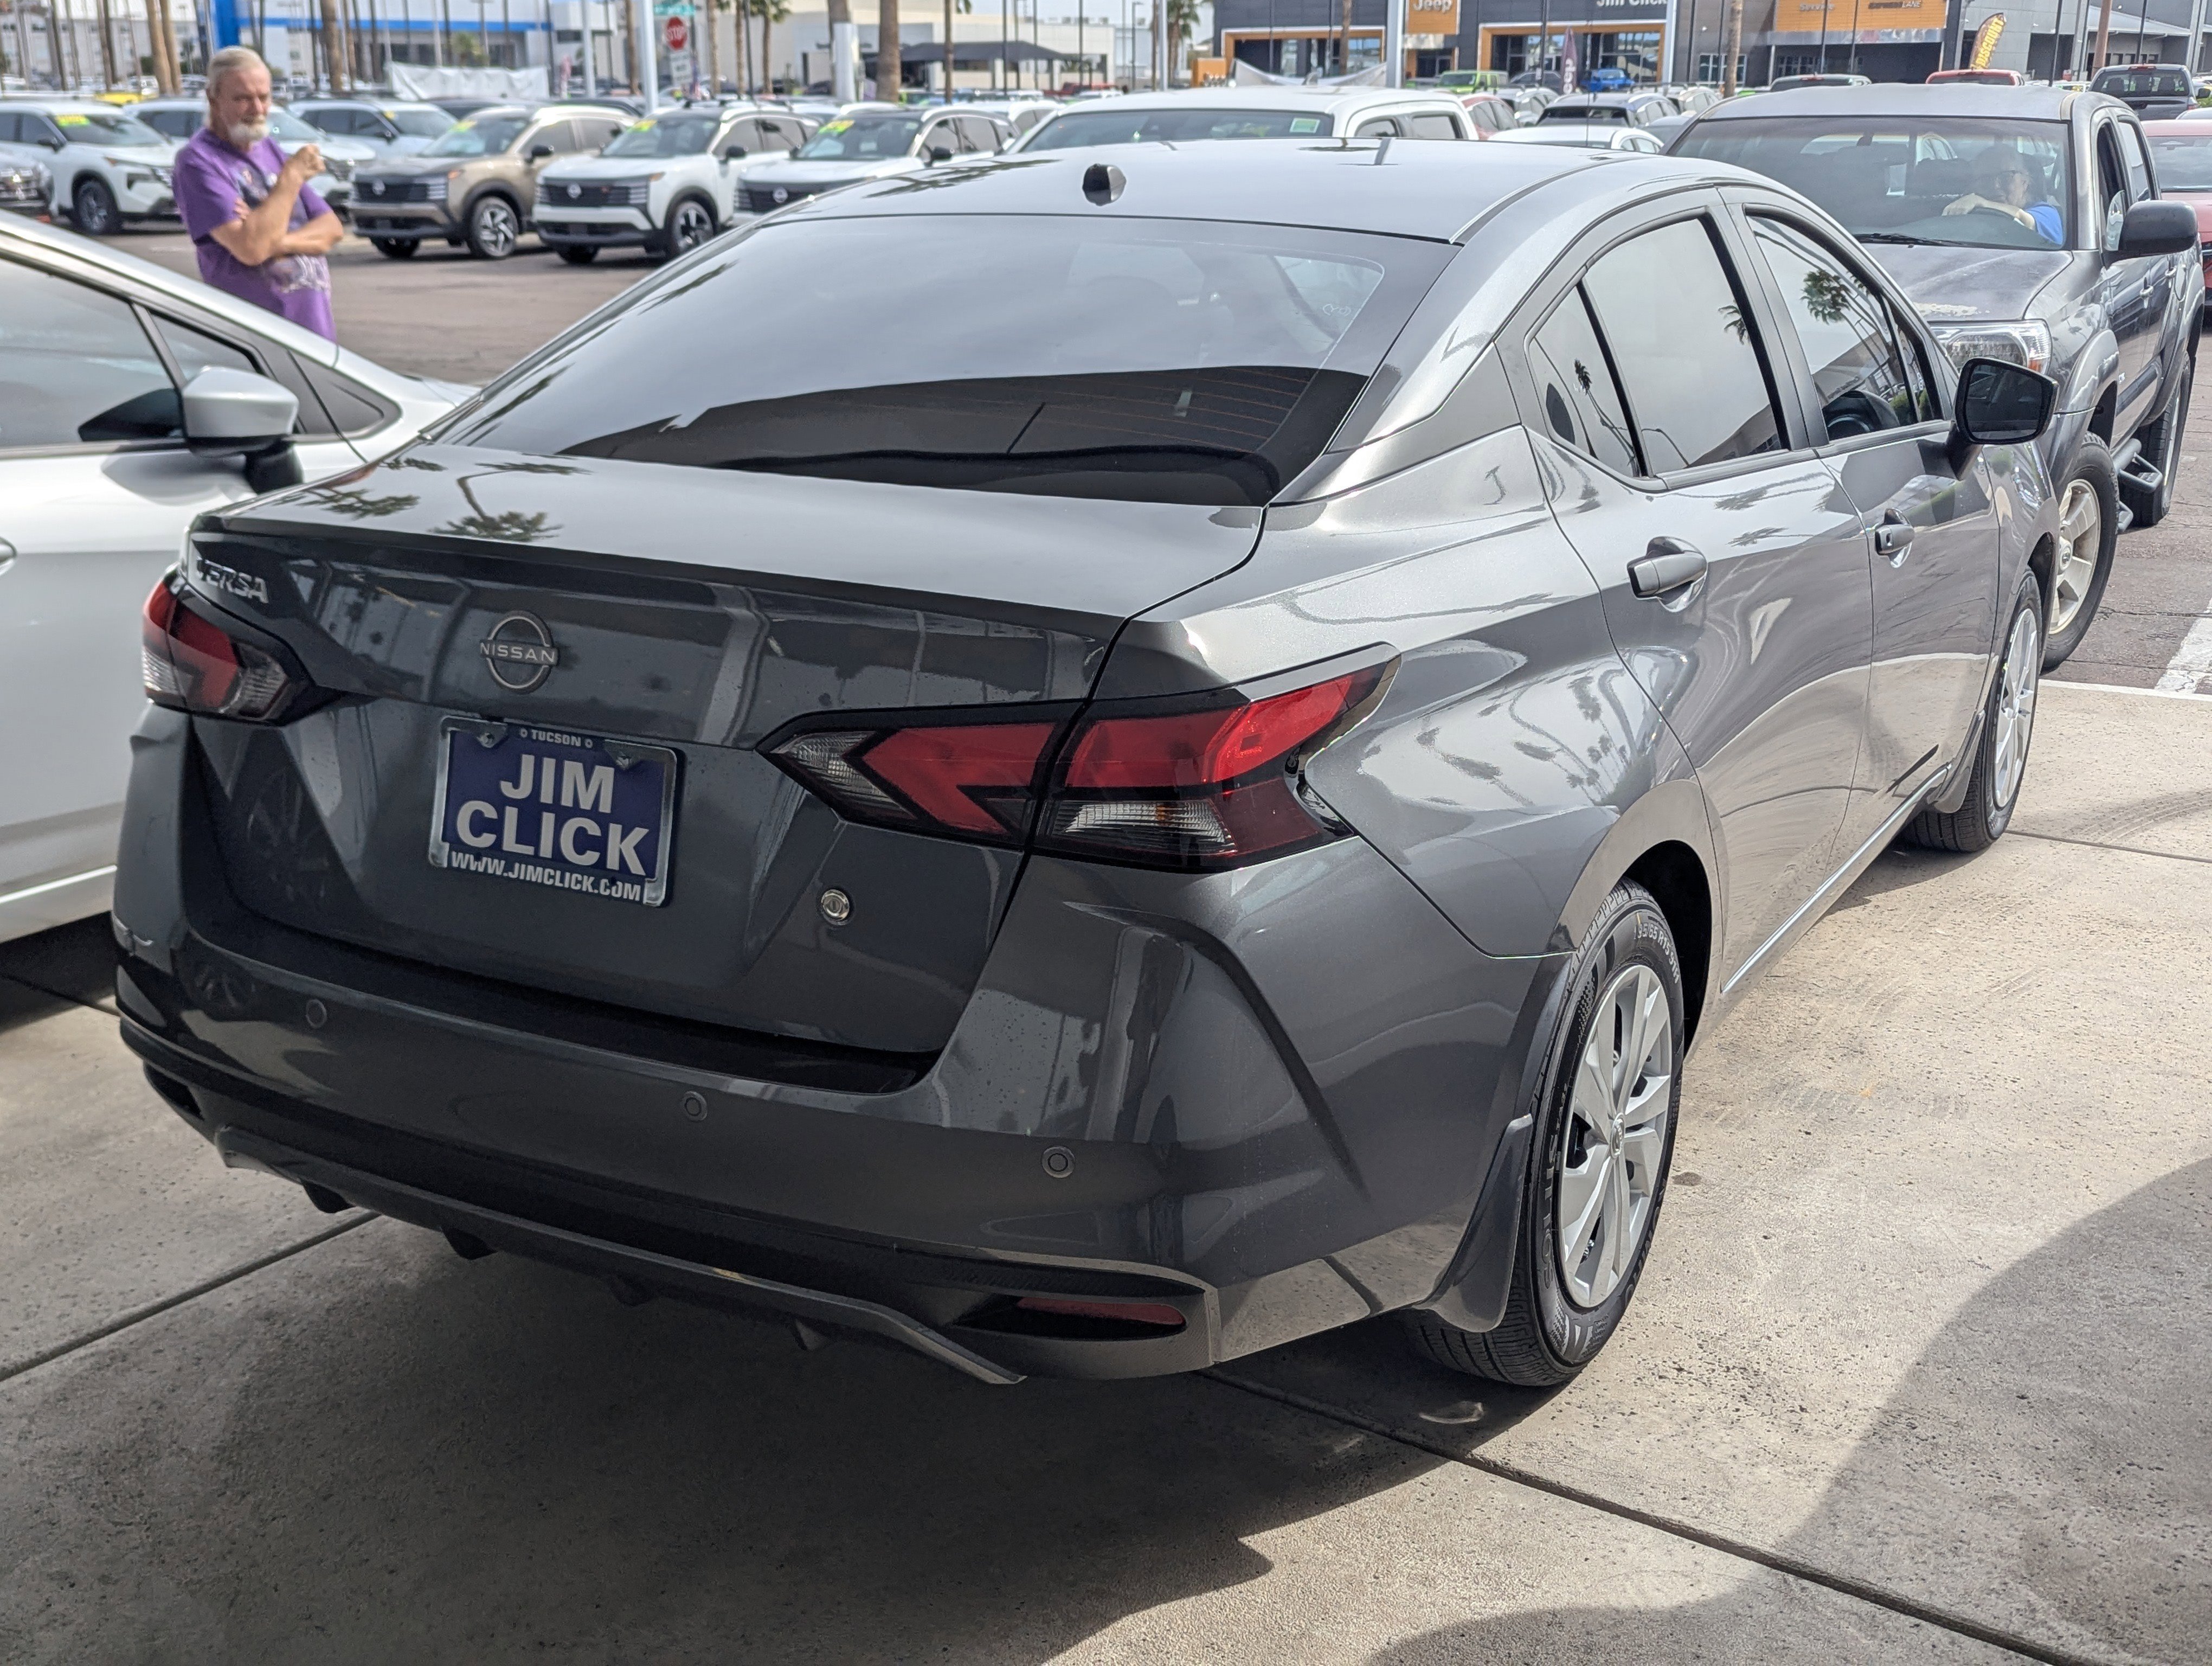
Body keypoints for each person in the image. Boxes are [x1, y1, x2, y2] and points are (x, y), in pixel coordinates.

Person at [170, 45, 344, 340]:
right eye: (243, 99)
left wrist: (275, 240)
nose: (258, 109)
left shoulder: (268, 150)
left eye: (263, 97)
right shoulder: (197, 162)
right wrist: (289, 179)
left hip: (316, 339)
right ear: (214, 99)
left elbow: (331, 229)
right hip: (261, 345)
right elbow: (251, 249)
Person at [1944, 144, 2063, 246]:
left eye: (2007, 177)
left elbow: (2025, 221)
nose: (1995, 186)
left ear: (2025, 181)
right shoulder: (1964, 210)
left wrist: (1981, 202)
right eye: (1986, 179)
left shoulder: (2047, 214)